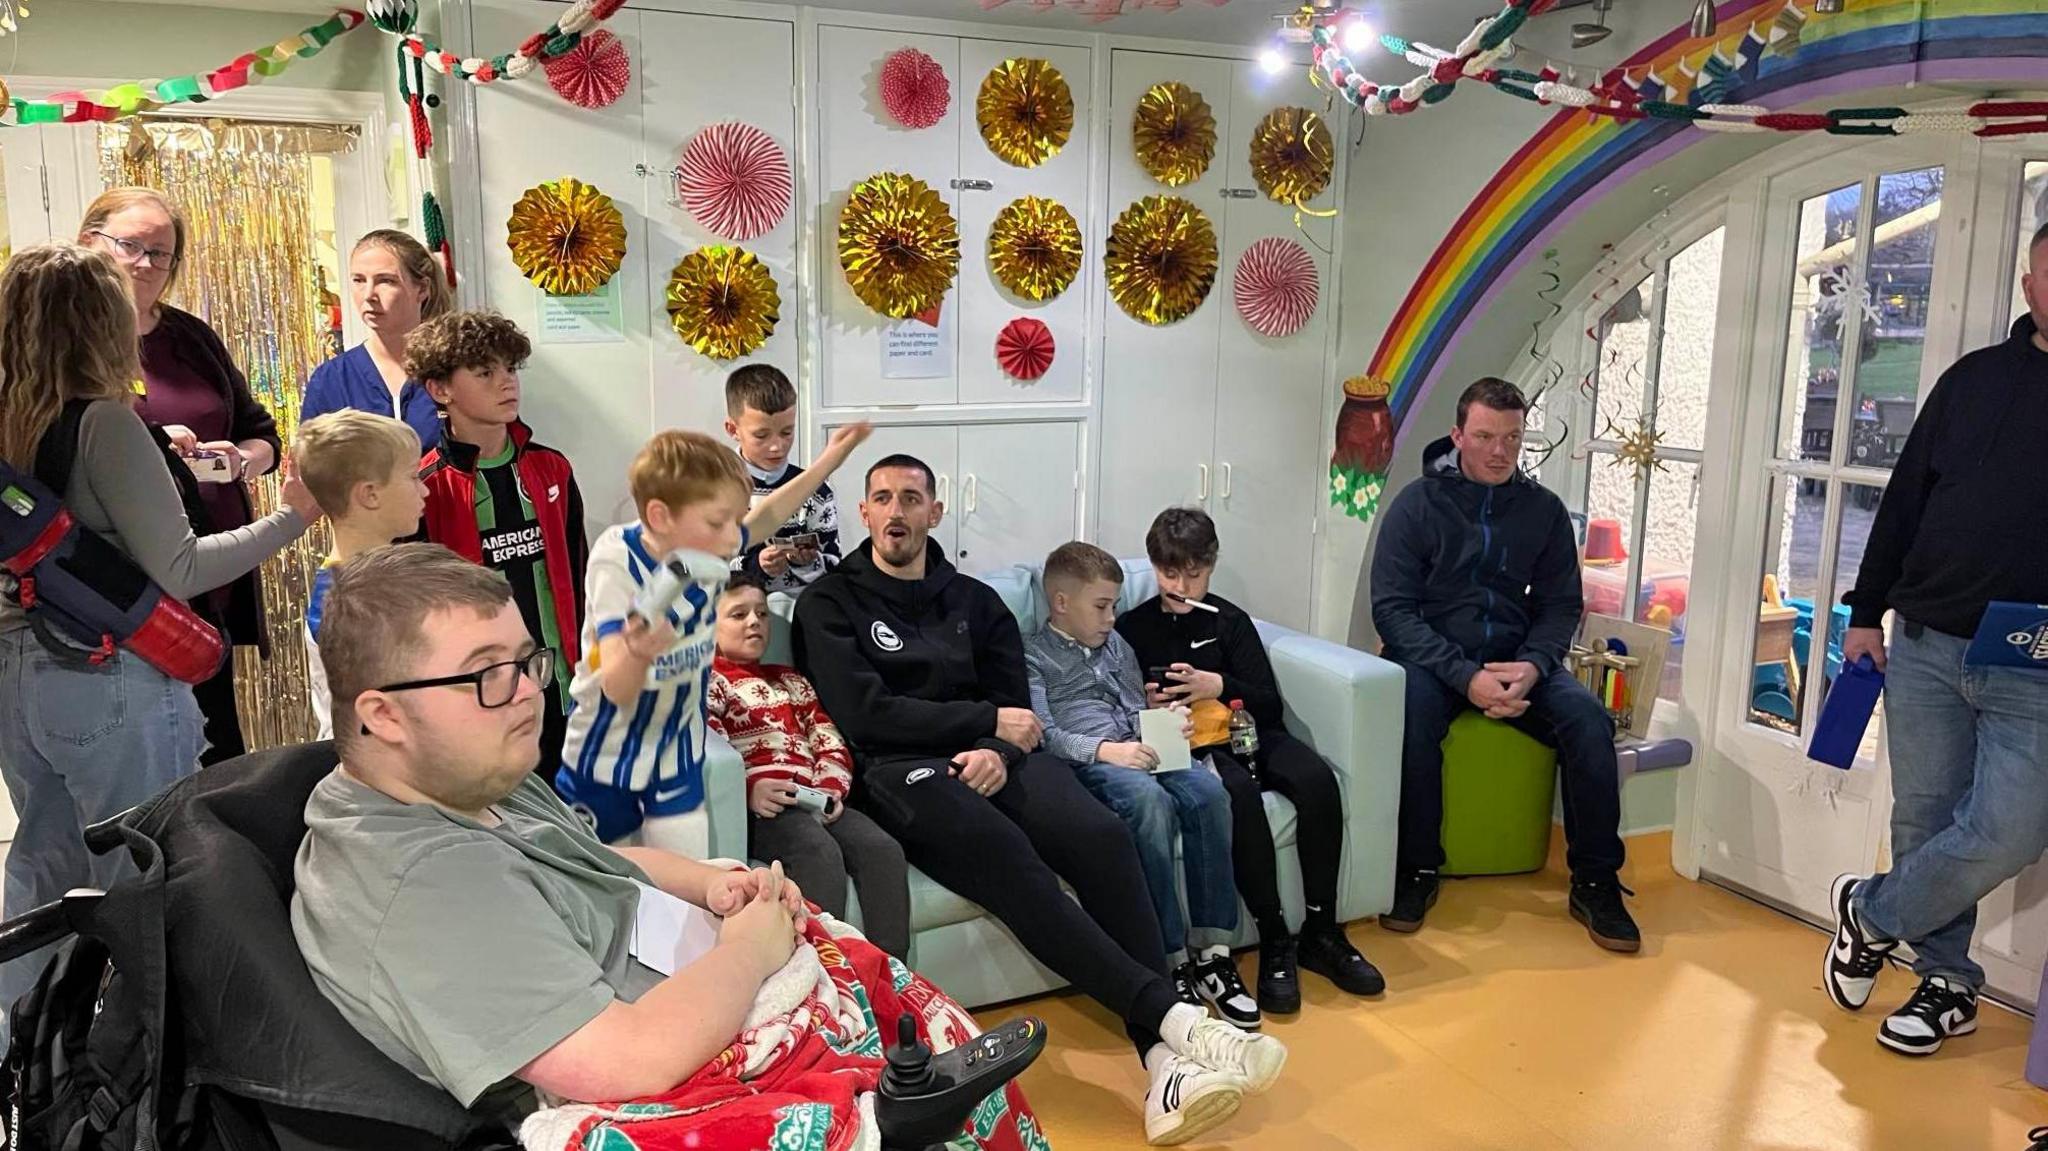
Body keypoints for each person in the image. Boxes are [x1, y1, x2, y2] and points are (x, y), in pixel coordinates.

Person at [290, 545, 1049, 1151]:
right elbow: (623, 1062)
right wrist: (750, 950)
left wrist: (708, 885)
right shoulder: (427, 884)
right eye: (489, 673)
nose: (527, 692)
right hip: (656, 1067)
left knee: (910, 1027)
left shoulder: (464, 774)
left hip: (680, 981)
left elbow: (596, 862)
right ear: (383, 715)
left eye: (527, 663)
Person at [794, 455, 1288, 1147]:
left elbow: (1019, 710)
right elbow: (866, 713)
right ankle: (1176, 1019)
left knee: (1100, 835)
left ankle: (1165, 1062)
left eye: (912, 497)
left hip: (1001, 754)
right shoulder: (830, 603)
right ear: (865, 512)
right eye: (882, 497)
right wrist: (982, 727)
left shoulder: (976, 602)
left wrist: (1001, 747)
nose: (897, 510)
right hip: (903, 769)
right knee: (1010, 857)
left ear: (937, 512)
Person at [0, 242, 318, 1022]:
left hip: (17, 672)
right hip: (107, 676)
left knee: (41, 863)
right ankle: (147, 1066)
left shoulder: (12, 416)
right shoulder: (106, 422)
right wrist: (294, 517)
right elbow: (178, 567)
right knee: (148, 875)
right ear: (100, 323)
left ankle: (21, 1049)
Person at [1822, 222, 2048, 1058]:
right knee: (1923, 814)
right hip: (1923, 643)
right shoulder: (1971, 382)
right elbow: (1905, 502)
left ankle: (1871, 913)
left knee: (2012, 828)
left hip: (2035, 659)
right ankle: (1946, 982)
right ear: (2029, 287)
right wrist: (1863, 613)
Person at [1369, 377, 1639, 953]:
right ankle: (1415, 870)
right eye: (1486, 436)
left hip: (1519, 662)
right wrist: (1465, 677)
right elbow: (1392, 612)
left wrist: (1536, 666)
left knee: (1589, 721)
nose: (1499, 451)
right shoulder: (1416, 506)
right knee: (1411, 716)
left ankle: (1595, 881)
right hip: (1433, 660)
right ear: (1458, 435)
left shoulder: (1541, 512)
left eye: (1512, 439)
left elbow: (1561, 603)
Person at [555, 427, 868, 858]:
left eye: (734, 521)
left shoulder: (706, 543)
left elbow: (769, 514)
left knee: (690, 895)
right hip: (607, 759)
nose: (732, 539)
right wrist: (639, 651)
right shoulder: (617, 557)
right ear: (662, 517)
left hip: (676, 755)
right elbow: (617, 687)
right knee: (613, 898)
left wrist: (829, 460)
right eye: (719, 522)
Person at [1118, 507, 1384, 1013]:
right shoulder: (1133, 627)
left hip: (1249, 730)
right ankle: (1275, 936)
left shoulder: (1230, 621)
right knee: (1237, 796)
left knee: (1317, 780)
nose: (1181, 585)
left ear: (1211, 566)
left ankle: (1323, 931)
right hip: (1190, 743)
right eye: (1170, 573)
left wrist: (1219, 685)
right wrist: (1152, 707)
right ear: (1154, 568)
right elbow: (1119, 703)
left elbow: (1267, 704)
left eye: (1193, 574)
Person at [80, 186, 286, 765]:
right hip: (121, 595)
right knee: (147, 767)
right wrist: (151, 447)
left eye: (162, 252)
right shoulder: (71, 350)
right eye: (131, 246)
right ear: (88, 242)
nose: (147, 263)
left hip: (207, 586)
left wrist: (242, 461)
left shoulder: (190, 337)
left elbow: (263, 433)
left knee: (215, 750)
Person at [1024, 542, 1259, 1030]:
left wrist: (1165, 718)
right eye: (1103, 606)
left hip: (1144, 746)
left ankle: (1213, 953)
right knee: (1148, 802)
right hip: (1096, 758)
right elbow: (1043, 731)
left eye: (1115, 605)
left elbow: (1134, 705)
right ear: (1062, 602)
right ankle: (1168, 958)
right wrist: (1109, 752)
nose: (1113, 618)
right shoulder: (1033, 655)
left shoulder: (1118, 645)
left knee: (1211, 793)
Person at [413, 310, 587, 775]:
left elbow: (578, 569)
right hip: (479, 686)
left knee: (565, 807)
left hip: (558, 678)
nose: (506, 382)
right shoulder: (425, 486)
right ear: (440, 389)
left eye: (510, 369)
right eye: (485, 372)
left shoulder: (552, 469)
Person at [708, 571, 912, 959]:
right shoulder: (712, 682)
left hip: (816, 796)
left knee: (882, 848)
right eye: (738, 615)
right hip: (767, 810)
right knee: (818, 852)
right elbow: (713, 745)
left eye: (762, 614)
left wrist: (831, 787)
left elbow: (825, 735)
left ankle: (892, 973)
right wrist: (750, 788)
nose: (755, 622)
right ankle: (823, 971)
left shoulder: (791, 680)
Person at [291, 410, 428, 738]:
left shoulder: (384, 577)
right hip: (370, 764)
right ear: (370, 494)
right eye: (413, 477)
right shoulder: (345, 599)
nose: (424, 490)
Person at [300, 229, 454, 454]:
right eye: (359, 280)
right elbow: (312, 472)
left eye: (386, 281)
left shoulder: (458, 370)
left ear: (422, 288)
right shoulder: (331, 380)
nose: (369, 294)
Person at [725, 365, 841, 594]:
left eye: (787, 433)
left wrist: (806, 562)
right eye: (761, 435)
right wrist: (755, 566)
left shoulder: (815, 489)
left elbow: (835, 565)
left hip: (800, 609)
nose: (777, 446)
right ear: (732, 429)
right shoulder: (712, 491)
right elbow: (697, 568)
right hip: (733, 611)